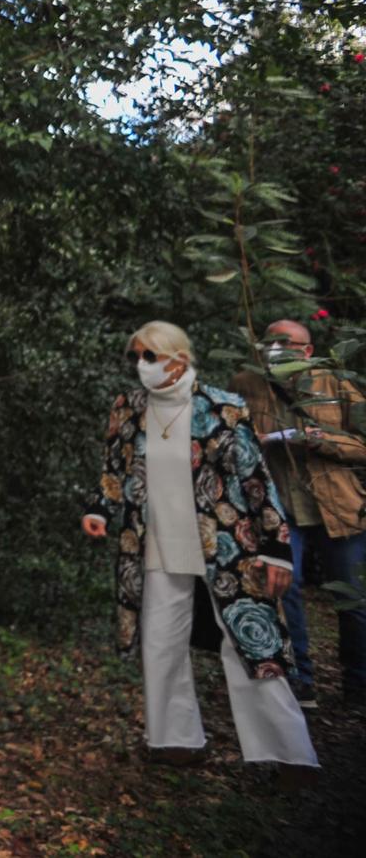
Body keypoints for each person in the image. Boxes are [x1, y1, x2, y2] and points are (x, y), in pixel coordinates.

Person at [81, 321, 316, 774]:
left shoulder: (223, 407)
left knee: (249, 643)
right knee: (160, 641)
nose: (139, 366)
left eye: (149, 356)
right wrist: (100, 509)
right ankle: (175, 740)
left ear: (179, 358)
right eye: (135, 357)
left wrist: (276, 547)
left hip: (226, 548)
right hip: (152, 545)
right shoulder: (127, 408)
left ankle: (286, 754)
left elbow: (255, 481)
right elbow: (114, 469)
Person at [229, 318, 366, 708]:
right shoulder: (245, 383)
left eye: (285, 343)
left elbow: (362, 442)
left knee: (353, 601)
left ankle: (358, 687)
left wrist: (317, 440)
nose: (275, 349)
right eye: (269, 342)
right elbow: (226, 438)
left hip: (340, 510)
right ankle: (300, 680)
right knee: (284, 596)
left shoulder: (335, 384)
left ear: (306, 352)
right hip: (280, 511)